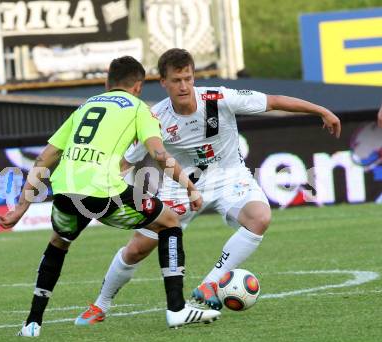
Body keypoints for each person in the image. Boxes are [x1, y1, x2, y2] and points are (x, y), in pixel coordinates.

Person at [84, 48, 342, 320]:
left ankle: (209, 283)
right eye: (176, 80)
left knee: (260, 217)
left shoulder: (219, 98)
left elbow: (274, 101)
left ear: (194, 77)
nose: (183, 86)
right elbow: (127, 161)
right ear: (163, 82)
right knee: (136, 249)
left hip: (230, 177)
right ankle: (100, 305)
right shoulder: (154, 118)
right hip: (180, 187)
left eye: (188, 78)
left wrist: (321, 110)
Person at [0, 56, 220, 337]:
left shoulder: (84, 106)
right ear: (138, 86)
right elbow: (159, 155)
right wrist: (190, 186)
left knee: (59, 241)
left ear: (106, 84)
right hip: (104, 192)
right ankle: (177, 310)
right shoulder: (139, 108)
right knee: (170, 221)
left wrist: (20, 209)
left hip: (64, 190)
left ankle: (32, 323)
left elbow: (45, 156)